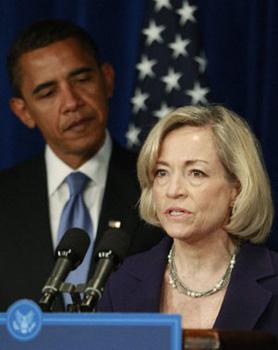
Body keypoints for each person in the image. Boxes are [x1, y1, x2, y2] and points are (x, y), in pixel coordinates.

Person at [0, 19, 164, 311]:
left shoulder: (159, 186)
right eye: (48, 92)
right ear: (23, 111)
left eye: (82, 79)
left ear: (108, 79)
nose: (72, 102)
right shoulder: (5, 198)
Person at [97, 105, 278, 334]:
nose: (173, 190)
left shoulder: (273, 282)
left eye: (196, 173)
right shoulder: (123, 282)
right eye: (162, 172)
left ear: (237, 189)